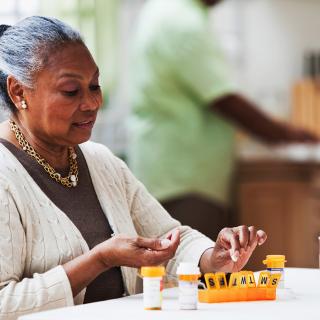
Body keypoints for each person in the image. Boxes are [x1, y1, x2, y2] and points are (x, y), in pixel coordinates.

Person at [0, 17, 267, 320]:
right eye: (71, 91)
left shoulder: (101, 162)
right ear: (19, 92)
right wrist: (99, 259)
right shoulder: (4, 175)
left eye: (94, 86)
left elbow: (169, 239)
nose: (91, 103)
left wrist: (212, 258)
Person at [128, 0, 319, 239]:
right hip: (187, 179)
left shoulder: (163, 9)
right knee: (197, 267)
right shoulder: (183, 23)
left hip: (168, 172)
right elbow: (223, 99)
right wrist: (286, 135)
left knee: (180, 269)